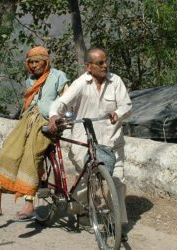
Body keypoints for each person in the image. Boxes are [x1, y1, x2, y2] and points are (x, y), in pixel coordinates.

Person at [48, 48, 132, 241]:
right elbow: (60, 104)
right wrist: (54, 116)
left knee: (118, 181)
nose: (105, 66)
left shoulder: (115, 81)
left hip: (112, 142)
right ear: (88, 66)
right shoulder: (80, 84)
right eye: (100, 63)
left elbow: (127, 105)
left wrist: (118, 113)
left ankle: (117, 226)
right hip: (84, 142)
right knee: (86, 180)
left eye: (106, 61)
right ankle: (81, 208)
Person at [0, 46, 68, 221]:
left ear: (46, 61)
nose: (34, 65)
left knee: (30, 157)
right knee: (8, 152)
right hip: (27, 121)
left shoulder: (58, 76)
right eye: (31, 62)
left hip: (47, 123)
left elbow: (67, 99)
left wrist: (57, 118)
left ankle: (29, 205)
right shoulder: (29, 81)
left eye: (37, 61)